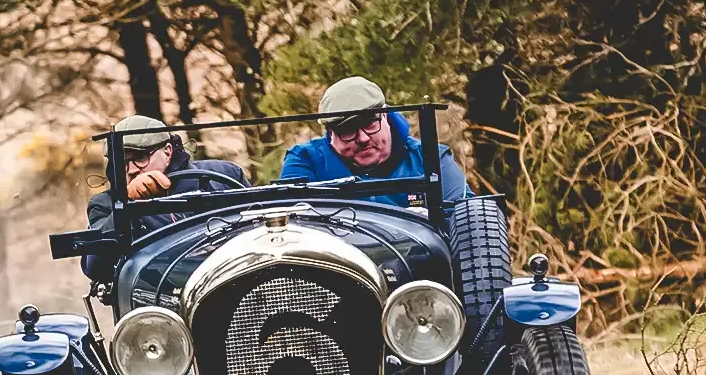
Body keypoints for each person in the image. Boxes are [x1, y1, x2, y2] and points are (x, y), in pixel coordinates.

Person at [84, 114, 248, 279]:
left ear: (167, 152)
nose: (131, 170)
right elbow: (94, 267)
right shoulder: (105, 204)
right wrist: (127, 204)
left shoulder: (224, 175)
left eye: (140, 157)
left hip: (234, 274)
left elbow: (258, 226)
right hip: (159, 289)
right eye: (121, 162)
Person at [278, 76, 467, 208]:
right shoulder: (305, 161)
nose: (363, 138)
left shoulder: (431, 160)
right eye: (348, 130)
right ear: (330, 133)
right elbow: (291, 226)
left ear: (385, 116)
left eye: (369, 123)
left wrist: (430, 222)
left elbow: (468, 223)